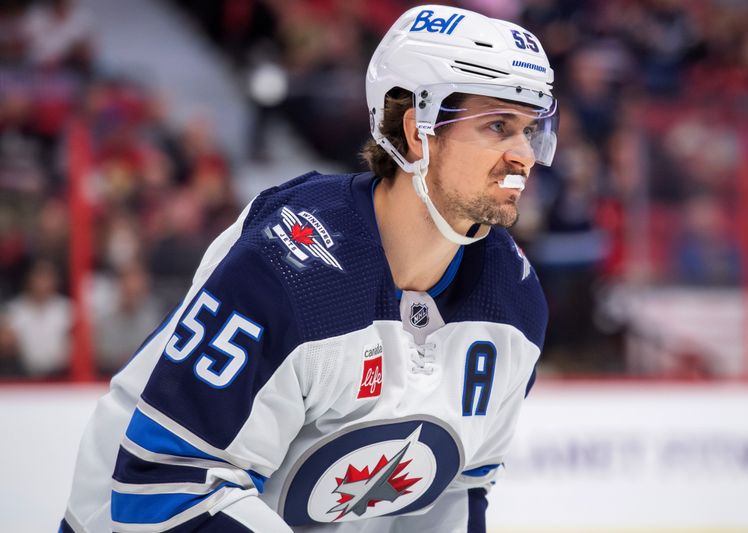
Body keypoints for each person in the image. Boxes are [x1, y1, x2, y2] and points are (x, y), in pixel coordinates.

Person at [61, 5, 558, 532]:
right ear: (419, 131)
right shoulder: (288, 265)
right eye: (498, 126)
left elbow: (456, 489)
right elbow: (161, 490)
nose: (523, 155)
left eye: (529, 130)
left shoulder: (513, 304)